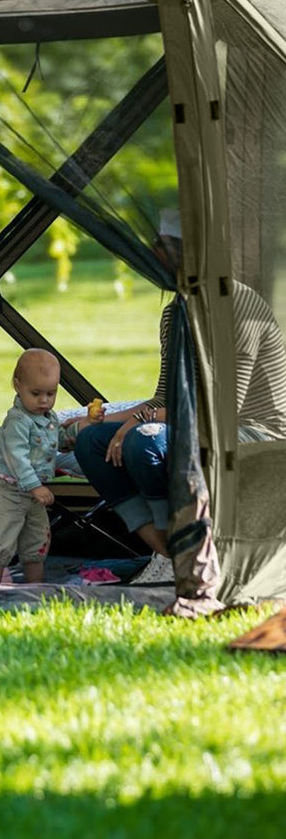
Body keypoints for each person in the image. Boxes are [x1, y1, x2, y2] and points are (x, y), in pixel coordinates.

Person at [74, 209, 286, 584]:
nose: (154, 255)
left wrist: (139, 423)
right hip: (197, 423)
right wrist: (92, 422)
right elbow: (162, 399)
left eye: (161, 247)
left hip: (253, 431)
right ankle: (167, 548)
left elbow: (223, 411)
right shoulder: (175, 312)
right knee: (90, 442)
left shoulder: (239, 305)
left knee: (145, 442)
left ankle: (183, 545)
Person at [0, 348, 103, 584]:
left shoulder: (49, 418)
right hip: (8, 492)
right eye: (36, 393)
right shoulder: (16, 422)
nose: (44, 400)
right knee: (2, 544)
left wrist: (85, 425)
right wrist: (35, 487)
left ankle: (34, 589)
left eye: (51, 393)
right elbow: (16, 458)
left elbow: (61, 440)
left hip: (33, 495)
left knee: (36, 544)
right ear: (17, 385)